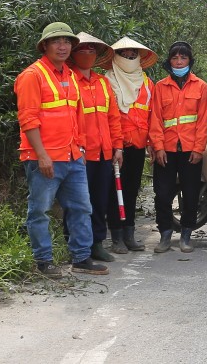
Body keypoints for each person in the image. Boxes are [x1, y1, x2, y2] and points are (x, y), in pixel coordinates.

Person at [14, 22, 107, 277]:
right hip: (44, 158)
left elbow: (76, 117)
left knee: (81, 208)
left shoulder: (71, 75)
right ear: (45, 45)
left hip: (72, 156)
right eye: (56, 41)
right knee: (39, 211)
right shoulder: (32, 76)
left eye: (67, 41)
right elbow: (28, 119)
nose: (63, 46)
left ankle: (81, 258)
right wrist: (42, 155)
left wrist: (81, 150)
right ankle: (43, 262)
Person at [148, 41, 207, 253]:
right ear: (170, 61)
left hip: (190, 151)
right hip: (165, 150)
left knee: (191, 193)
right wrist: (157, 147)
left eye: (183, 58)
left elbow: (202, 121)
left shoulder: (201, 87)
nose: (179, 61)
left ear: (189, 61)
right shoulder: (160, 87)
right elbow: (155, 119)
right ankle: (165, 234)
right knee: (163, 194)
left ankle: (186, 235)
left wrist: (198, 148)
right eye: (175, 58)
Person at [68, 32, 122, 263]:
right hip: (79, 153)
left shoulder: (103, 82)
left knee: (99, 200)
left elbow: (113, 117)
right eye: (83, 51)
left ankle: (97, 243)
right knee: (78, 202)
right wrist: (75, 147)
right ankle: (75, 244)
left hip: (104, 151)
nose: (88, 55)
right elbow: (67, 118)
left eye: (92, 51)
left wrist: (118, 146)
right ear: (73, 54)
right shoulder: (69, 81)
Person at [101, 37, 158, 254]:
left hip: (137, 147)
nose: (129, 56)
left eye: (133, 52)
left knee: (132, 191)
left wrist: (152, 143)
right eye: (124, 53)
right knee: (114, 191)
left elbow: (152, 116)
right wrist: (116, 145)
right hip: (114, 147)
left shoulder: (146, 82)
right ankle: (116, 236)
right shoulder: (106, 81)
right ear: (116, 55)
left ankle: (129, 234)